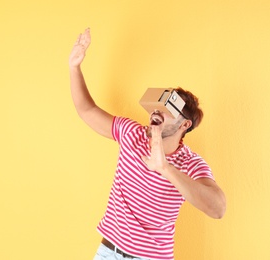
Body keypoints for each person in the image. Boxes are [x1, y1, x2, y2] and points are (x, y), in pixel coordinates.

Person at [69, 28, 226, 260]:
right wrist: (74, 67)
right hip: (107, 252)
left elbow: (218, 208)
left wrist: (165, 168)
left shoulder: (190, 164)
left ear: (185, 125)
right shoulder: (133, 134)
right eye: (160, 103)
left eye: (170, 108)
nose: (159, 110)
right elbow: (87, 110)